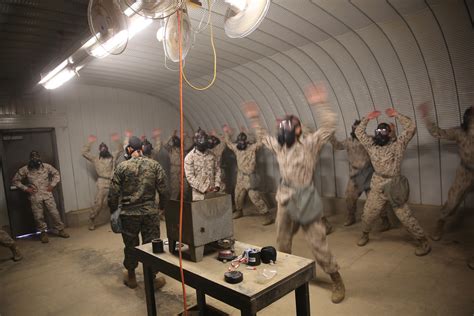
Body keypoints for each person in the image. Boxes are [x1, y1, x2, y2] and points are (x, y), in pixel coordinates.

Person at [243, 83, 345, 304]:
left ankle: (336, 279)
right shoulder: (280, 147)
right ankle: (286, 272)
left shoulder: (310, 144)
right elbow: (262, 137)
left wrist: (320, 103)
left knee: (317, 243)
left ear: (297, 130)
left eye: (286, 128)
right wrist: (255, 120)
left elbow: (329, 125)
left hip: (305, 197)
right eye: (281, 128)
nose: (282, 131)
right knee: (282, 239)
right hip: (284, 196)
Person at [355, 108, 431, 256]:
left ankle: (423, 241)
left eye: (384, 131)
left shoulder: (398, 145)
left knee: (404, 216)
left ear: (390, 133)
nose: (380, 134)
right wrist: (367, 118)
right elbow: (359, 132)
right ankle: (364, 234)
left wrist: (397, 115)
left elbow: (411, 127)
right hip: (378, 183)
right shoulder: (371, 144)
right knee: (369, 213)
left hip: (394, 184)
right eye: (378, 131)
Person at [108, 136, 169, 289]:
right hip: (150, 213)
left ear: (129, 149)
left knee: (131, 245)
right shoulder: (154, 165)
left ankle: (131, 277)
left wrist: (114, 211)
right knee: (151, 246)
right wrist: (162, 207)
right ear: (141, 149)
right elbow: (165, 190)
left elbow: (113, 193)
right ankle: (152, 280)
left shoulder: (122, 167)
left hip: (129, 215)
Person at [419, 104, 474, 241]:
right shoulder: (459, 132)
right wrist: (426, 117)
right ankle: (441, 222)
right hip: (465, 172)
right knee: (452, 202)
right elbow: (438, 133)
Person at [331, 120, 391, 229]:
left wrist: (390, 134)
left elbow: (384, 143)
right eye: (354, 128)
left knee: (377, 199)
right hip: (355, 176)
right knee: (349, 197)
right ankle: (351, 216)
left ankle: (385, 219)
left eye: (358, 128)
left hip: (369, 175)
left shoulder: (369, 139)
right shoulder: (349, 141)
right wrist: (331, 135)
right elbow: (337, 146)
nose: (355, 130)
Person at [12, 151, 69, 243]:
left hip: (47, 195)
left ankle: (61, 230)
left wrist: (52, 185)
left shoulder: (46, 167)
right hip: (35, 196)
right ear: (30, 158)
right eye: (33, 157)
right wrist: (26, 189)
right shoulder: (26, 169)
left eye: (36, 157)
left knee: (54, 213)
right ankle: (43, 233)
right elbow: (15, 181)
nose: (35, 159)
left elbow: (56, 174)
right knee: (38, 216)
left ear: (40, 157)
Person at [222, 125, 273, 225]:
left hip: (250, 177)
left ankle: (266, 215)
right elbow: (228, 143)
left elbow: (260, 142)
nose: (241, 143)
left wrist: (255, 131)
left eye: (243, 141)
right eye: (239, 141)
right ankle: (239, 211)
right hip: (240, 177)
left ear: (246, 141)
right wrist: (227, 133)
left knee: (255, 197)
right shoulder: (236, 149)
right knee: (238, 196)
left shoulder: (252, 148)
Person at [82, 133, 122, 230]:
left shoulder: (112, 156)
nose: (103, 149)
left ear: (107, 149)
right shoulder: (95, 159)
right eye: (101, 148)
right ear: (99, 150)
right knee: (99, 203)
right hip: (102, 183)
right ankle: (92, 220)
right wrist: (90, 142)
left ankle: (117, 221)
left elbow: (121, 149)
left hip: (113, 182)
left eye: (105, 148)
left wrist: (116, 140)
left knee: (117, 202)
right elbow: (84, 152)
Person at [184, 129, 221, 201]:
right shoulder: (190, 157)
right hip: (199, 196)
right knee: (201, 212)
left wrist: (217, 185)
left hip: (212, 193)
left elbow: (217, 170)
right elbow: (190, 177)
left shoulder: (212, 156)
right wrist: (204, 189)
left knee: (213, 211)